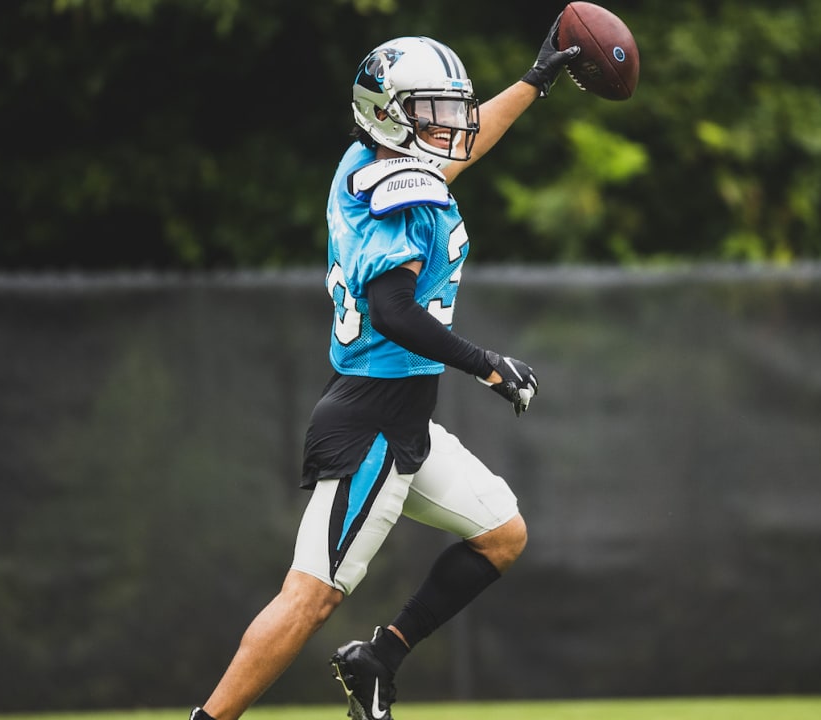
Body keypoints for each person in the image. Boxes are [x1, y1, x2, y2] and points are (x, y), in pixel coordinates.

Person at [186, 16, 581, 720]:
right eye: (432, 112)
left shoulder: (362, 164)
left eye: (450, 110)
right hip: (371, 423)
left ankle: (379, 659)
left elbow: (452, 155)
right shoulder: (403, 193)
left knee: (500, 533)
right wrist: (487, 365)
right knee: (309, 596)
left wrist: (531, 82)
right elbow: (394, 308)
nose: (449, 126)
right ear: (387, 115)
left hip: (400, 419)